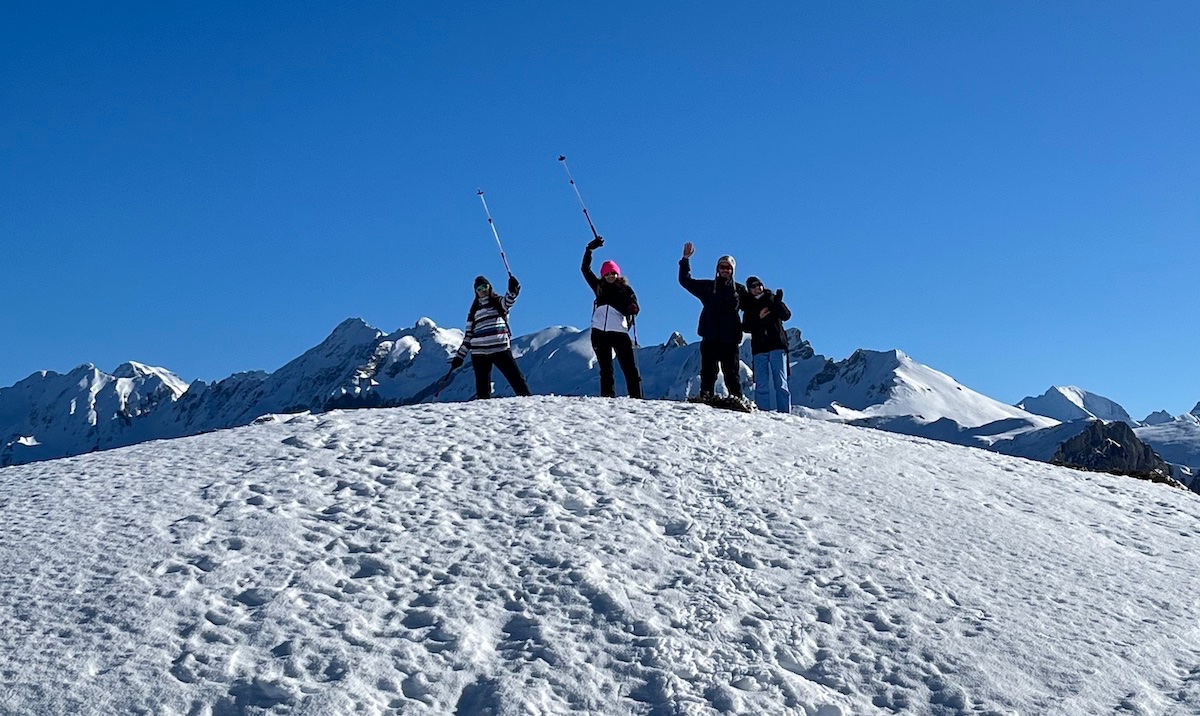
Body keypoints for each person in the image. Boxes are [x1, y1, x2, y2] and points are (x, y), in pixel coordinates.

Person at [678, 243, 748, 401]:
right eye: (722, 267)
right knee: (708, 372)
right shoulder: (708, 287)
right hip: (710, 337)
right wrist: (685, 260)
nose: (725, 270)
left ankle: (736, 398)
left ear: (732, 270)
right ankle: (706, 395)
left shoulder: (739, 291)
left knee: (732, 372)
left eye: (728, 268)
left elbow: (753, 306)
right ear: (718, 269)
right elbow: (685, 280)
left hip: (730, 339)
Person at [450, 274, 532, 399]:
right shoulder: (473, 312)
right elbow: (468, 336)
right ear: (476, 292)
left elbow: (508, 302)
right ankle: (484, 415)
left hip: (500, 348)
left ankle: (529, 403)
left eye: (484, 286)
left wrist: (512, 291)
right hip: (479, 353)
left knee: (516, 379)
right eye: (479, 289)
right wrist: (460, 357)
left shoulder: (497, 302)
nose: (482, 290)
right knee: (482, 390)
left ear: (489, 287)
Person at [581, 237, 642, 398]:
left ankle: (637, 397)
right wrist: (589, 250)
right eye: (607, 273)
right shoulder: (599, 288)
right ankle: (607, 398)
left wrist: (632, 308)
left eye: (613, 272)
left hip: (619, 333)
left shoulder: (625, 290)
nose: (610, 275)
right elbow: (585, 270)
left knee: (629, 367)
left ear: (618, 274)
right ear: (602, 275)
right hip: (600, 333)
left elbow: (635, 306)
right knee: (606, 369)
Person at [741, 276, 792, 413]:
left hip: (777, 346)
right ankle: (763, 413)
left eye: (759, 285)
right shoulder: (749, 306)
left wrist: (778, 303)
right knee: (761, 384)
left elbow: (786, 315)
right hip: (759, 348)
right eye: (753, 286)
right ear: (749, 289)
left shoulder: (772, 299)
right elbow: (746, 326)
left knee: (781, 382)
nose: (757, 288)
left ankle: (785, 413)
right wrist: (759, 318)